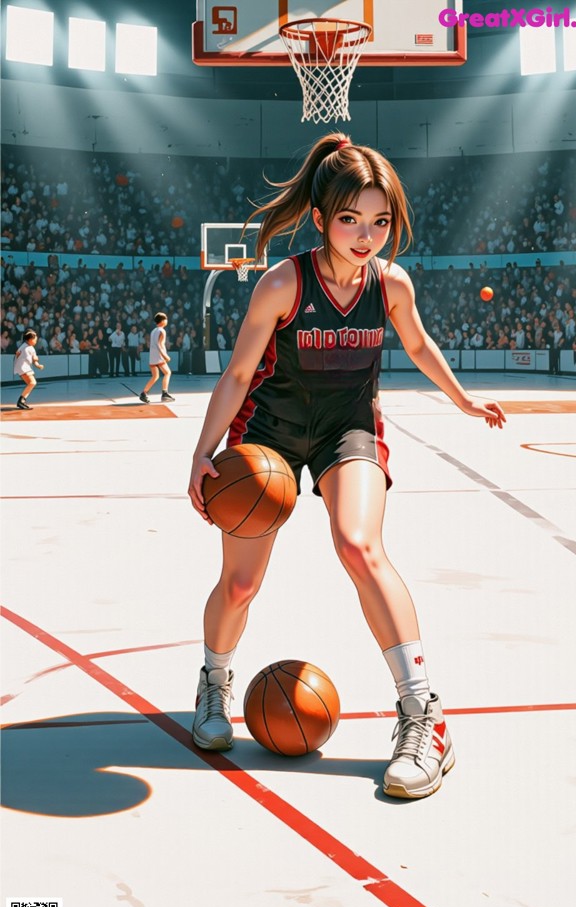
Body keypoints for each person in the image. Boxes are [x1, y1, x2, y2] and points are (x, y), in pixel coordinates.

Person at [187, 133, 506, 801]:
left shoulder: (390, 284)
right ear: (321, 218)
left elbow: (418, 345)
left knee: (360, 546)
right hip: (267, 434)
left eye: (380, 220)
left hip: (347, 429)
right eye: (351, 219)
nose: (366, 235)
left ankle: (424, 715)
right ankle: (214, 682)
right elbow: (240, 372)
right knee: (240, 587)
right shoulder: (283, 283)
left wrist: (465, 400)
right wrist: (202, 450)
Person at [139, 312, 174, 403]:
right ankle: (164, 393)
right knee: (167, 373)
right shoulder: (162, 331)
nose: (167, 320)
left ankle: (144, 393)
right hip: (159, 357)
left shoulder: (153, 331)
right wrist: (165, 356)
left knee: (155, 376)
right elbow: (159, 345)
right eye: (165, 319)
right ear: (162, 321)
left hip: (153, 357)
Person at [14, 328, 44, 409]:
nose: (36, 341)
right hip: (23, 368)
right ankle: (21, 401)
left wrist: (37, 364)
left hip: (21, 367)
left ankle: (22, 401)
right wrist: (38, 365)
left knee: (31, 383)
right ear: (30, 339)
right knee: (32, 383)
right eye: (35, 339)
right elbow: (34, 360)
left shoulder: (23, 346)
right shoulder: (29, 348)